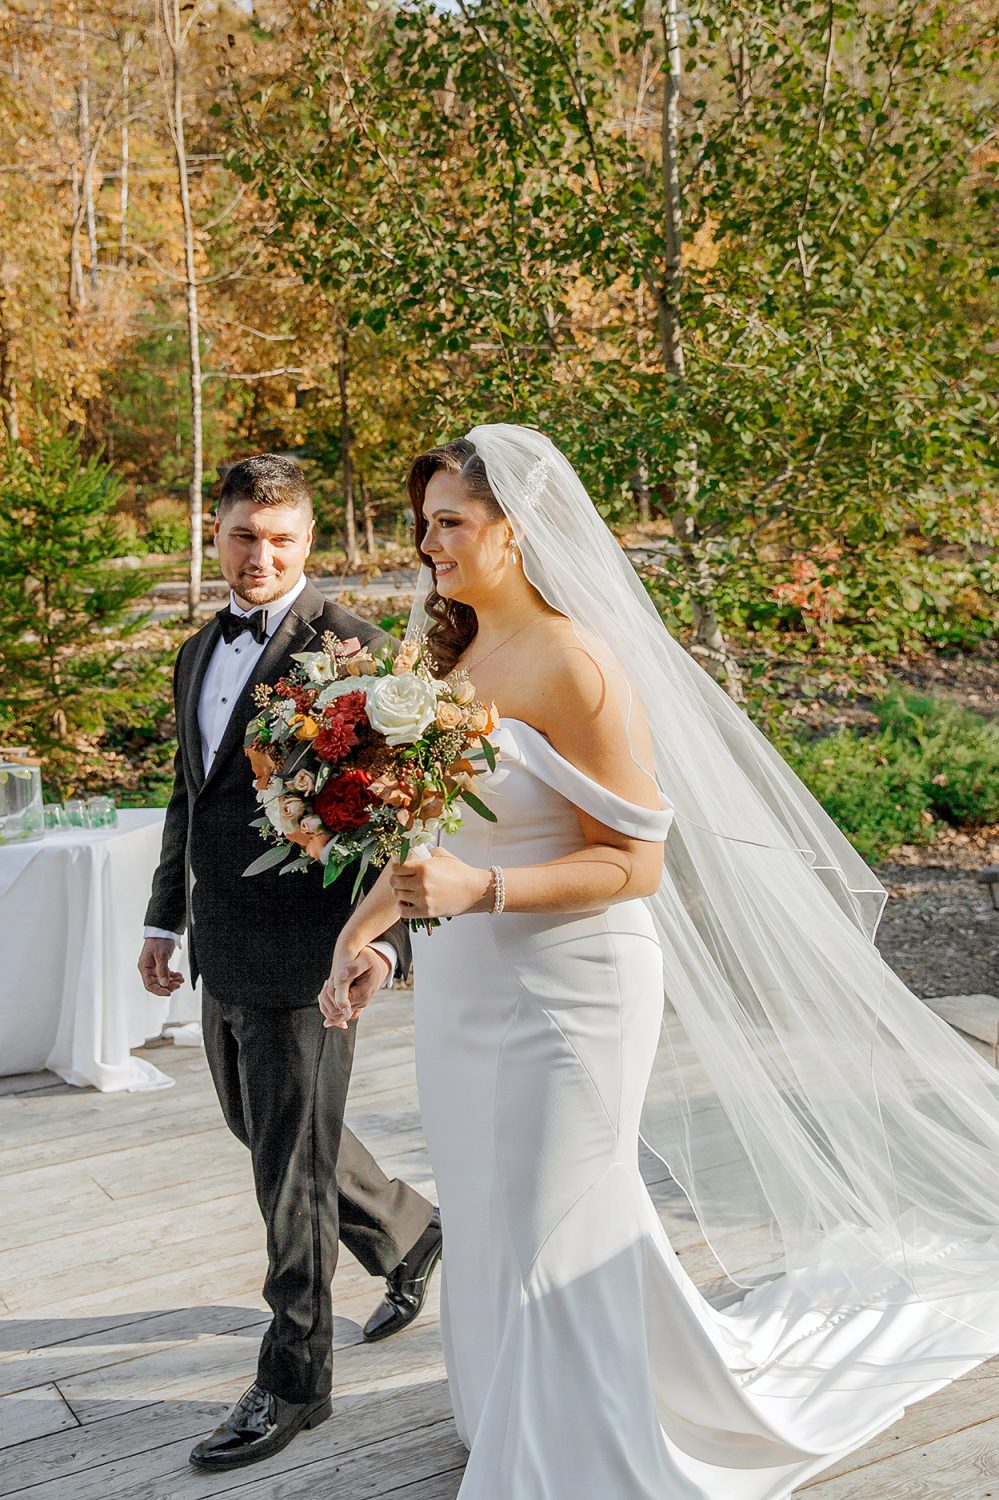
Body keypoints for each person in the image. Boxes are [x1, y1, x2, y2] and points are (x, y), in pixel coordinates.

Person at [321, 424, 999, 1498]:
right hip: (464, 987)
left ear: (516, 530)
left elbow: (635, 864)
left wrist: (481, 892)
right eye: (425, 523)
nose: (428, 543)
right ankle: (518, 1411)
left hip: (572, 988)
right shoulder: (440, 656)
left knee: (553, 1213)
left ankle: (578, 1452)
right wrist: (368, 944)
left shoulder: (580, 663)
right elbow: (424, 838)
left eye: (450, 522)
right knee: (490, 1207)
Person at [138, 454, 442, 1473]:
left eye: (279, 538)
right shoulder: (193, 652)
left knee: (289, 1174)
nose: (258, 555)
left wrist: (382, 950)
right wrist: (164, 921)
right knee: (264, 1133)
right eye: (240, 534)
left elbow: (404, 814)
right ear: (214, 533)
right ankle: (406, 1232)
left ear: (308, 541)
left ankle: (293, 1379)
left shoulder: (351, 651)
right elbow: (193, 794)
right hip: (223, 941)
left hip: (315, 953)